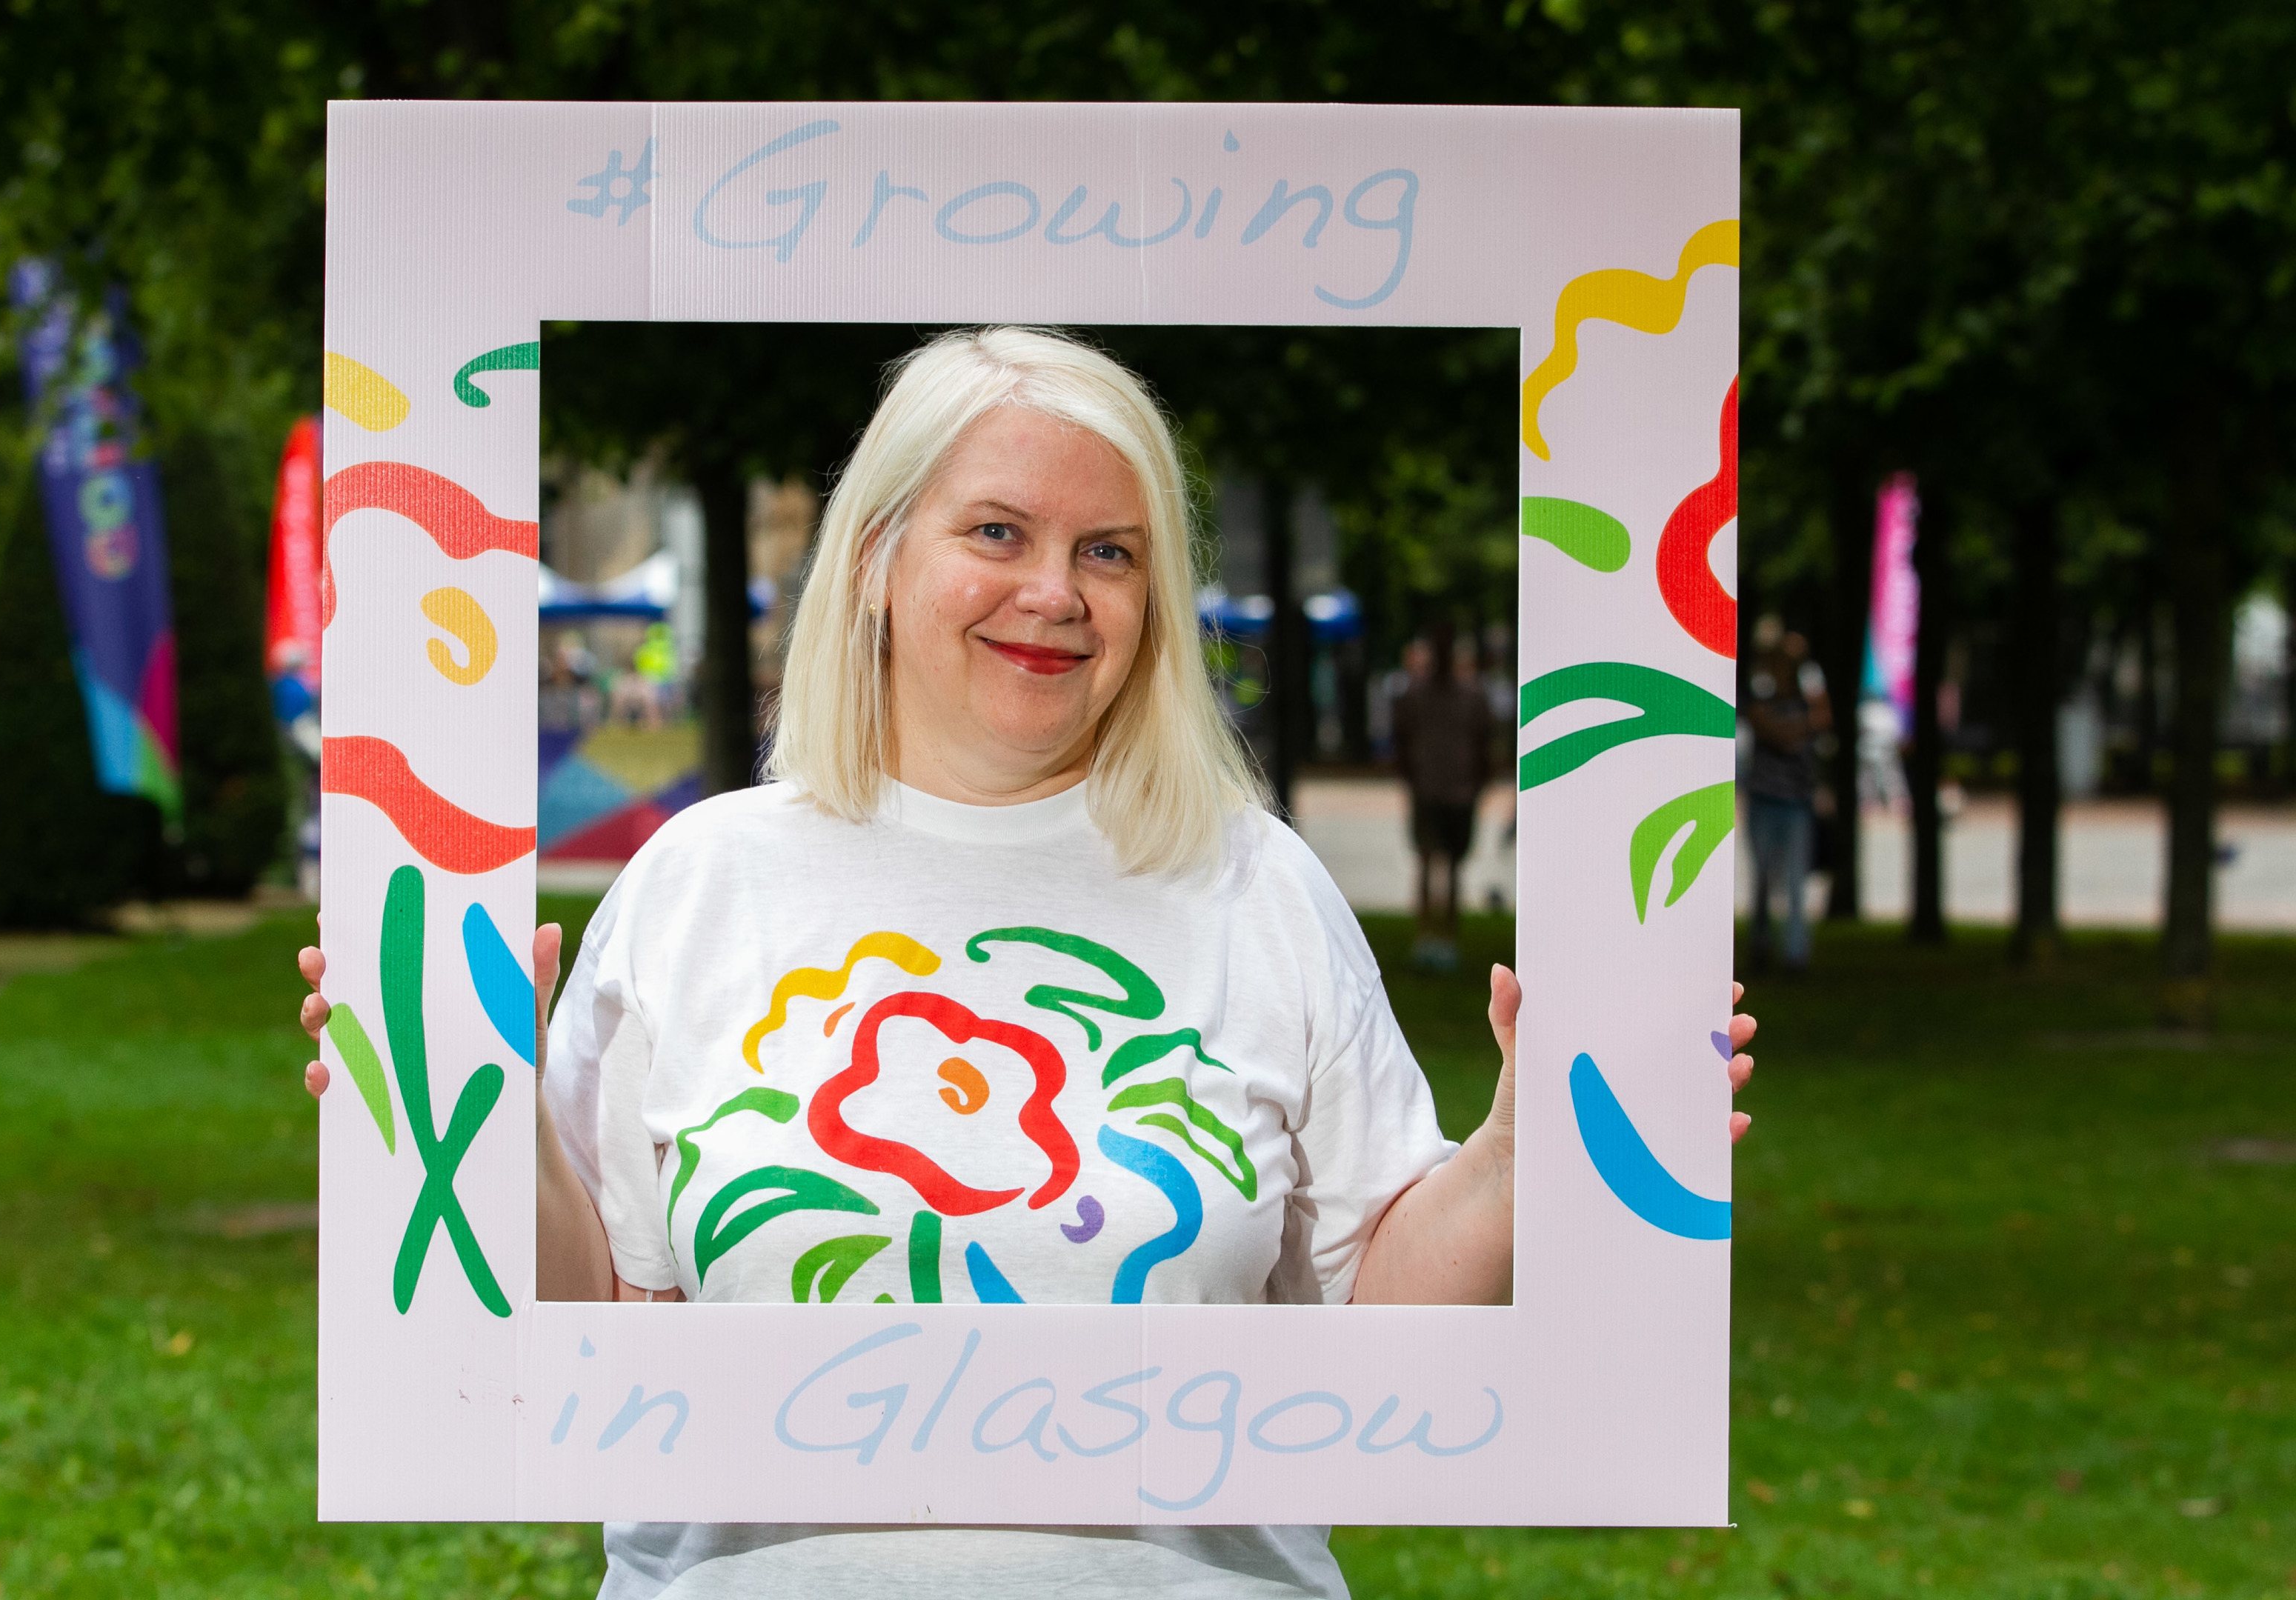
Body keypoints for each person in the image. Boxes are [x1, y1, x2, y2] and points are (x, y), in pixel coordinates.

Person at [299, 327, 1761, 1599]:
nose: (1052, 592)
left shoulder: (1254, 885)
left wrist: (1522, 1153)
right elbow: (587, 1329)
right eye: (995, 533)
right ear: (874, 559)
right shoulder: (696, 881)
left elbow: (1375, 1332)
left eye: (1105, 550)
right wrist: (450, 1103)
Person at [1390, 620, 1494, 973]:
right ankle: (1424, 939)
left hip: (1460, 792)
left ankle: (1448, 940)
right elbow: (1401, 738)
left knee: (1452, 865)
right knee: (1425, 860)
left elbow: (1484, 742)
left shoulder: (1472, 695)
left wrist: (1480, 783)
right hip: (1428, 789)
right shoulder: (1415, 695)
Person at [1742, 621, 1831, 973]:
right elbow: (1777, 733)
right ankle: (1761, 947)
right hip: (1765, 801)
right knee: (1762, 880)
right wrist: (1800, 728)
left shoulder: (1807, 703)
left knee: (1796, 882)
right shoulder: (1759, 700)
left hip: (1797, 804)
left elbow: (1819, 721)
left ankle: (1796, 956)